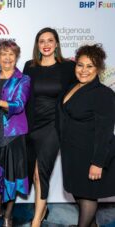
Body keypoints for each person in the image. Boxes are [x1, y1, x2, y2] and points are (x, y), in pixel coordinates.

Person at [23, 27, 76, 227]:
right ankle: (42, 208)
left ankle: (36, 220)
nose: (46, 45)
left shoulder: (68, 68)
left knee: (41, 171)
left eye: (50, 40)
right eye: (42, 41)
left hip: (54, 125)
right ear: (37, 45)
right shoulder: (30, 66)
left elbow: (80, 88)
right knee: (35, 172)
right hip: (33, 125)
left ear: (56, 44)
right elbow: (25, 96)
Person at [58, 44, 115, 227]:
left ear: (98, 68)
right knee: (79, 194)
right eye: (80, 65)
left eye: (89, 66)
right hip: (72, 153)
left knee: (88, 196)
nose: (83, 70)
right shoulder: (73, 86)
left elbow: (105, 131)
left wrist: (98, 163)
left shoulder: (103, 94)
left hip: (90, 154)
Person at [0, 40, 30, 227]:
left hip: (13, 135)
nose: (7, 58)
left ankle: (8, 215)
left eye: (11, 54)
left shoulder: (24, 79)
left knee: (10, 176)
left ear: (16, 56)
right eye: (3, 54)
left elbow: (19, 105)